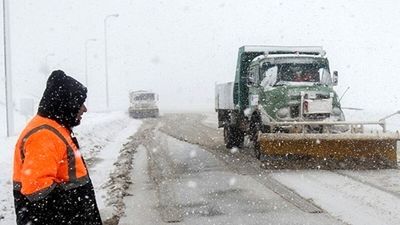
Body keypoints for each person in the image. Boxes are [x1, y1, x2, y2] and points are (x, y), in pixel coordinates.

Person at [13, 70, 103, 225]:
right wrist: (75, 212)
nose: (84, 109)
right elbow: (37, 193)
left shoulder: (56, 127)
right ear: (67, 103)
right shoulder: (44, 134)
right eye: (80, 103)